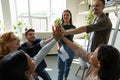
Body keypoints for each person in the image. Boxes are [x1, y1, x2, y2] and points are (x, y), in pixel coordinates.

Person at [53, 27, 120, 80]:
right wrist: (62, 37)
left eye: (94, 54)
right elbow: (80, 51)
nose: (91, 53)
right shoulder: (97, 68)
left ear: (100, 63)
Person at [57, 9, 76, 80]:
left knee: (67, 66)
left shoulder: (73, 27)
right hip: (62, 48)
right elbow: (57, 39)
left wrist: (60, 27)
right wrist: (58, 47)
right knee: (60, 69)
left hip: (70, 48)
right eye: (64, 15)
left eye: (67, 15)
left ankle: (65, 78)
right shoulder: (59, 26)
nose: (66, 16)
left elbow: (67, 34)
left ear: (70, 17)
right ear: (62, 17)